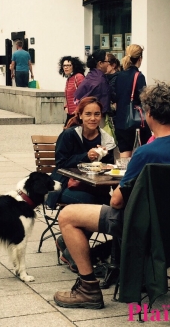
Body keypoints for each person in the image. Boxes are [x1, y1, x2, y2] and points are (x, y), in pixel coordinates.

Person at [53, 81, 170, 310]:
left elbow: (116, 201)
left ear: (148, 112)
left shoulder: (145, 153)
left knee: (67, 215)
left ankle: (88, 289)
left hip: (143, 224)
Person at [47, 97, 116, 272]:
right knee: (94, 207)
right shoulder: (70, 135)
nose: (93, 118)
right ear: (80, 115)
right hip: (66, 185)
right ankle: (72, 253)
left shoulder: (106, 139)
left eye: (97, 114)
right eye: (88, 114)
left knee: (109, 209)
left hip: (95, 187)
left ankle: (67, 244)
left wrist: (106, 164)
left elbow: (109, 166)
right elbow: (61, 164)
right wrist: (86, 156)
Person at [112, 44, 151, 158]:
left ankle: (125, 174)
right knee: (143, 152)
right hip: (136, 120)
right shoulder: (138, 76)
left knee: (124, 154)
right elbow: (144, 98)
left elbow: (114, 96)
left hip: (120, 120)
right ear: (140, 59)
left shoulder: (118, 75)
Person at [74, 50, 112, 120]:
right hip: (96, 118)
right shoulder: (101, 81)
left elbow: (77, 97)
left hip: (85, 116)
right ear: (100, 63)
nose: (108, 64)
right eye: (107, 61)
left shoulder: (90, 75)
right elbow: (103, 106)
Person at [58, 56, 86, 126]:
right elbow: (69, 96)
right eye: (64, 65)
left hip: (77, 114)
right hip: (70, 113)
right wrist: (66, 106)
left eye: (68, 65)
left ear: (74, 66)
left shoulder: (79, 77)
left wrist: (78, 109)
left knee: (67, 134)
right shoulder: (69, 79)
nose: (65, 67)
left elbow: (84, 95)